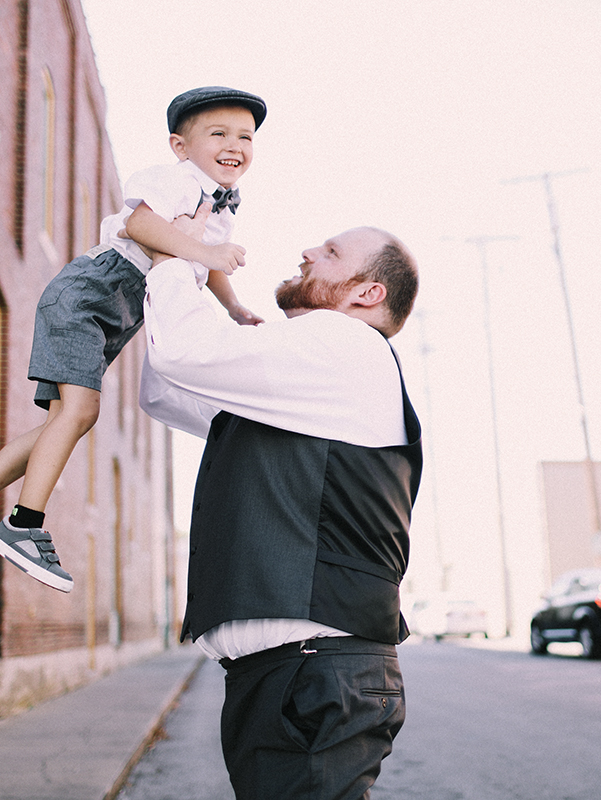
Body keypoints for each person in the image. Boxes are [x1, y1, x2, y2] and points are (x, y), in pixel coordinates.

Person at [0, 86, 267, 592]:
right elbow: (140, 223)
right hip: (92, 293)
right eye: (218, 133)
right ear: (180, 146)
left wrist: (234, 307)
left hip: (115, 315)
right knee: (82, 413)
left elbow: (204, 260)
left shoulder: (219, 210)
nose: (233, 143)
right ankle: (23, 524)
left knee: (66, 420)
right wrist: (208, 253)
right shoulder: (178, 181)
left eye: (245, 135)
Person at [138, 205, 422, 799]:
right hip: (296, 672)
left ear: (367, 293)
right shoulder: (312, 374)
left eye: (331, 252)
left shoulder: (343, 343)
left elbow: (181, 355)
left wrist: (176, 251)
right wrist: (180, 265)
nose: (308, 252)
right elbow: (168, 390)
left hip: (315, 670)